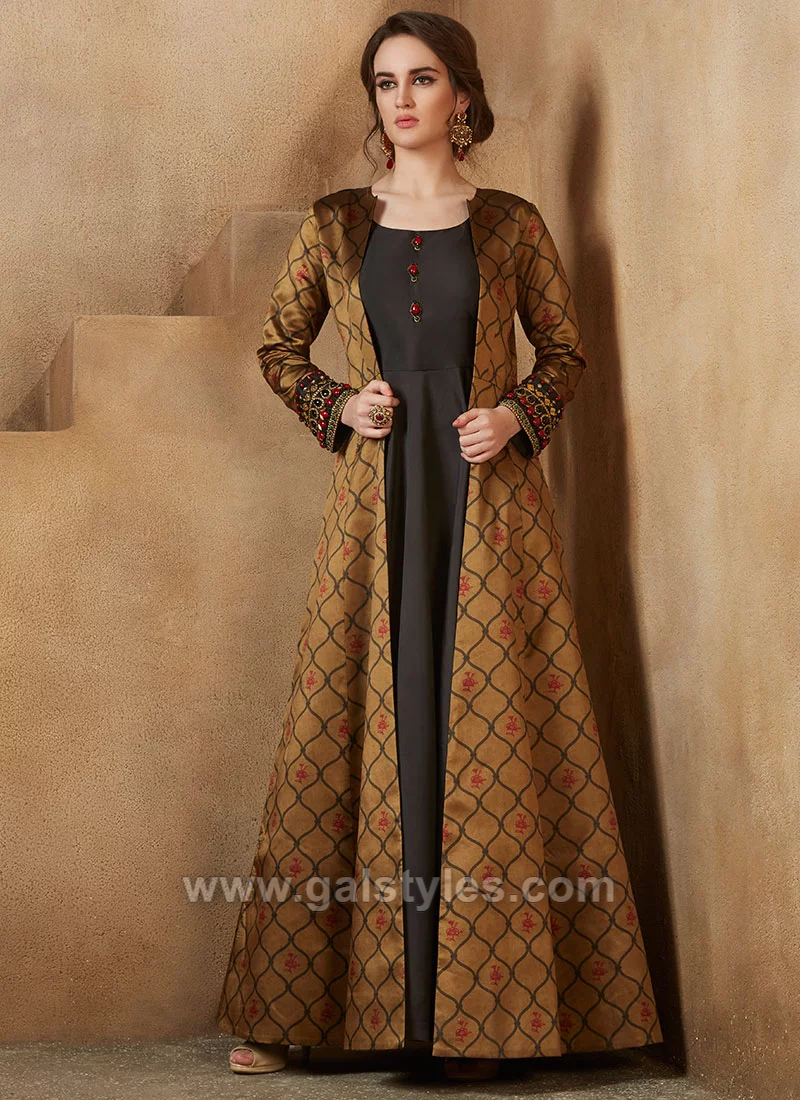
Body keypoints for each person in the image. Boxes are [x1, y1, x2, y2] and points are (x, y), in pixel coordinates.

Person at [216, 10, 663, 1085]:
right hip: (375, 510)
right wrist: (338, 402)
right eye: (385, 82)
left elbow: (565, 353)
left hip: (488, 510)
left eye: (422, 79)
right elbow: (278, 347)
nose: (402, 99)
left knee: (489, 727)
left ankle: (484, 1020)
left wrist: (513, 416)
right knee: (350, 720)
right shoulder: (334, 226)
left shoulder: (511, 226)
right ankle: (301, 1014)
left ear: (462, 93)